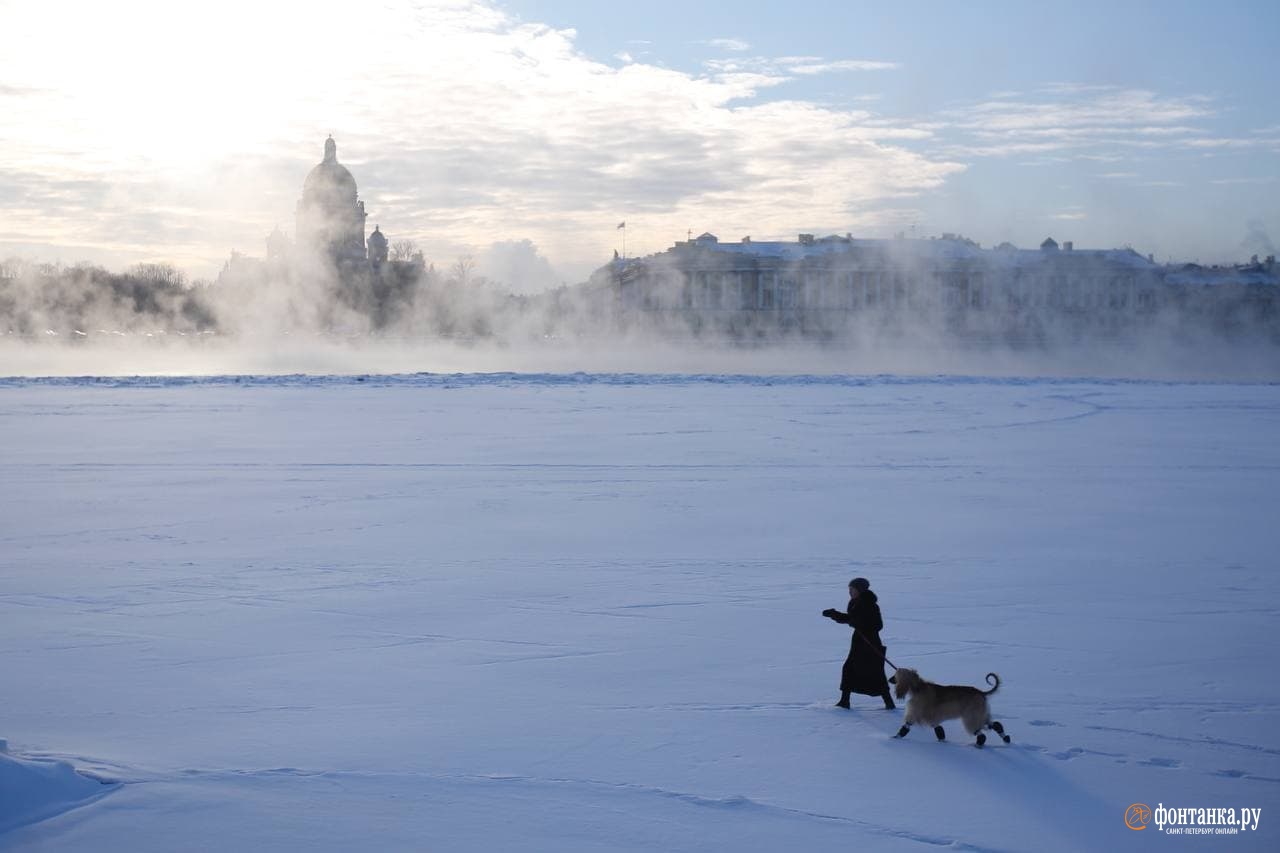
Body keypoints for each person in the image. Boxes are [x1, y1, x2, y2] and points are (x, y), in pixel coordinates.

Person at [822, 577, 895, 710]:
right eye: (849, 589)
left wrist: (859, 623)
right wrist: (834, 614)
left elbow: (877, 625)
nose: (850, 592)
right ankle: (845, 701)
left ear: (860, 590)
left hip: (870, 643)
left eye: (852, 589)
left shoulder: (870, 604)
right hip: (859, 642)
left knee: (875, 673)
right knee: (849, 669)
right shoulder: (855, 602)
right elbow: (852, 619)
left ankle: (889, 703)